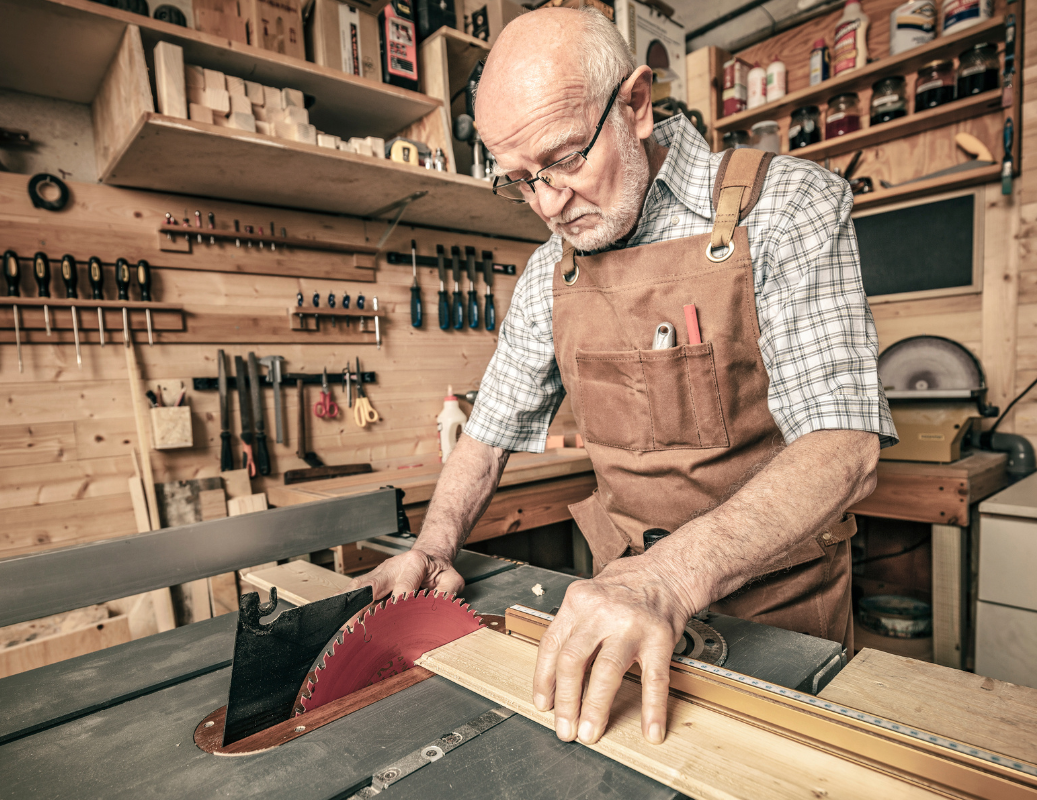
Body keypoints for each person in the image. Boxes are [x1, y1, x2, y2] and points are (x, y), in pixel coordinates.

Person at [350, 7, 896, 750]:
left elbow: (845, 447)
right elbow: (489, 431)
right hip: (623, 618)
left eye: (566, 159)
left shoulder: (786, 206)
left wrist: (665, 579)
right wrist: (434, 546)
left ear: (636, 105)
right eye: (521, 181)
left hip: (780, 617)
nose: (548, 204)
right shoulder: (550, 269)